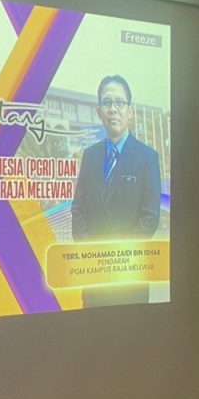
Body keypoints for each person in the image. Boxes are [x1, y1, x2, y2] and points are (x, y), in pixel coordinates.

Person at [71, 75, 161, 305]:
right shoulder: (90, 156)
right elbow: (78, 209)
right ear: (99, 111)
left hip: (129, 278)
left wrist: (117, 259)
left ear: (130, 111)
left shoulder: (147, 157)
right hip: (93, 277)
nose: (113, 109)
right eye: (107, 102)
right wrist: (91, 254)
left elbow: (150, 218)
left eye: (119, 103)